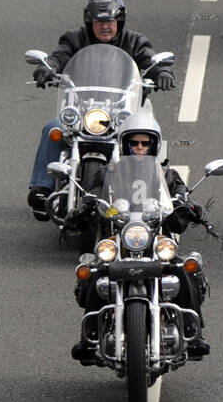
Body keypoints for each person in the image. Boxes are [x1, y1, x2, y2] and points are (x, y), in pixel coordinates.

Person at [72, 111, 211, 363]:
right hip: (119, 236)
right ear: (125, 143)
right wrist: (87, 207)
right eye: (134, 143)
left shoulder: (168, 175)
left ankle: (195, 332)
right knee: (94, 271)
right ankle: (88, 337)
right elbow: (93, 196)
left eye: (145, 143)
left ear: (154, 145)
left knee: (184, 267)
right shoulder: (107, 172)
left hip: (155, 237)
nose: (139, 147)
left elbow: (180, 198)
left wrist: (189, 207)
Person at [27, 0, 174, 217]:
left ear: (119, 22)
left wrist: (162, 72)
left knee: (147, 133)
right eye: (99, 22)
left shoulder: (135, 41)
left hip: (124, 110)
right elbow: (60, 56)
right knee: (53, 129)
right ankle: (43, 189)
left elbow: (148, 59)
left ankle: (157, 192)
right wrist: (48, 68)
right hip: (83, 109)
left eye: (110, 21)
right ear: (90, 22)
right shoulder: (74, 38)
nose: (105, 26)